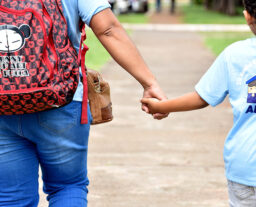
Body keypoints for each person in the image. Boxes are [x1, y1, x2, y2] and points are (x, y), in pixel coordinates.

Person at [0, 0, 167, 206]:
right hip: (62, 103)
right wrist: (149, 82)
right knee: (66, 186)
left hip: (3, 105)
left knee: (12, 196)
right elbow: (108, 29)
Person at [141, 0, 256, 206]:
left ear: (248, 16)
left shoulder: (233, 54)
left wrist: (161, 106)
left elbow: (202, 97)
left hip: (243, 166)